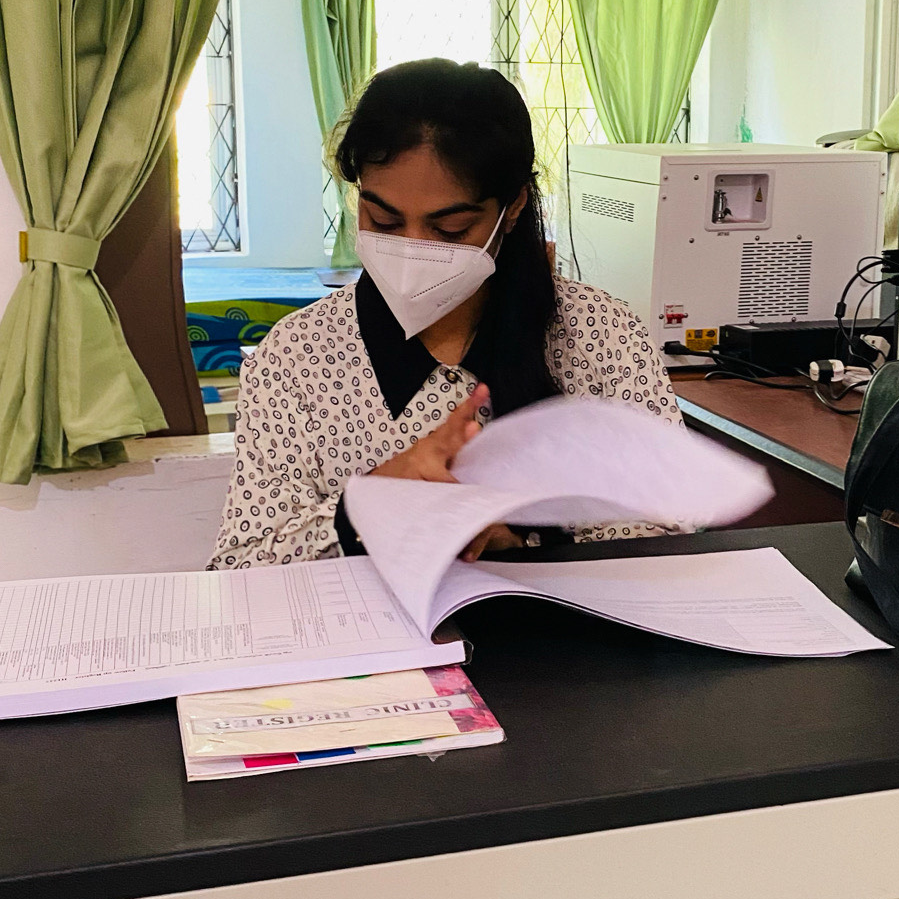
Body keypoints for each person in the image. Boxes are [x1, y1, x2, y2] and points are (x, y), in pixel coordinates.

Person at [209, 59, 683, 569]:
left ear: (513, 207)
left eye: (450, 229)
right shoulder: (295, 356)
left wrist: (518, 544)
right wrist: (368, 507)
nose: (413, 249)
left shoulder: (603, 335)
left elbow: (667, 529)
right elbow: (242, 563)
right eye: (383, 220)